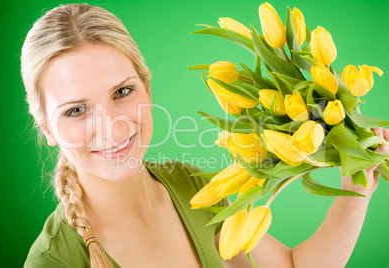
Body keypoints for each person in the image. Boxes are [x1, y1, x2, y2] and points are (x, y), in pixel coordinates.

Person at [22, 3, 389, 268]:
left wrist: (356, 187)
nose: (112, 125)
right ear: (47, 129)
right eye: (76, 110)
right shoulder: (55, 260)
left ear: (147, 89)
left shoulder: (194, 186)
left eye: (122, 92)